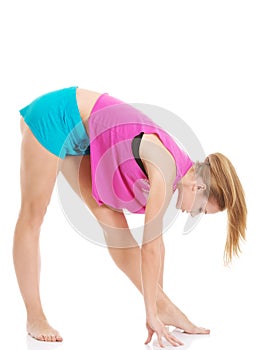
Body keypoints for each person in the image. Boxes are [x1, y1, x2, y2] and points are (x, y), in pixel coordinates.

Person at [13, 86, 247, 347]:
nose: (192, 214)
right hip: (56, 116)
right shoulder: (166, 165)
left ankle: (166, 307)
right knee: (33, 214)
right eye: (200, 210)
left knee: (116, 231)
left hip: (85, 141)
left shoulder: (178, 172)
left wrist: (158, 304)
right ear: (199, 187)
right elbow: (151, 247)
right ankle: (34, 316)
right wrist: (149, 313)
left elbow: (159, 248)